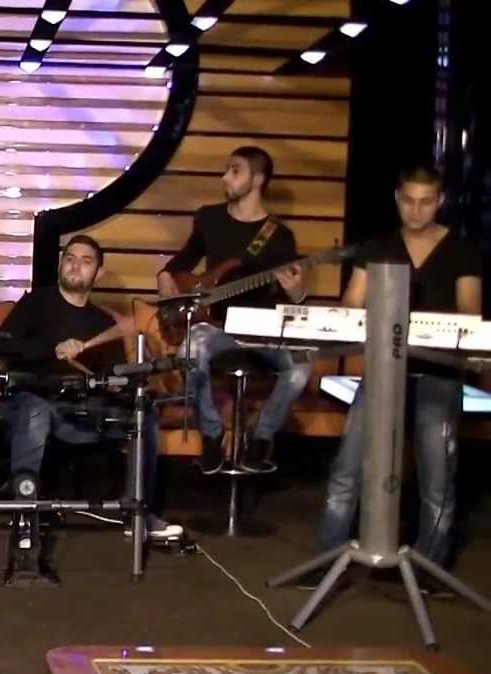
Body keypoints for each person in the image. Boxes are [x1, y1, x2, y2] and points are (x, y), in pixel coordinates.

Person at [301, 164, 482, 593]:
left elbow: (469, 315)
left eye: (426, 202)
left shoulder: (461, 251)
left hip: (439, 374)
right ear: (398, 199)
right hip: (383, 372)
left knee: (437, 479)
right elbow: (352, 305)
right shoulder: (380, 247)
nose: (416, 210)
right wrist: (306, 299)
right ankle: (328, 559)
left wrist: (420, 328)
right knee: (347, 467)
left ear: (439, 202)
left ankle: (428, 571)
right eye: (409, 201)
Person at [0, 235, 181, 539]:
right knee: (36, 411)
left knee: (143, 417)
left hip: (77, 411)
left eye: (85, 261)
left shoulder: (101, 321)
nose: (75, 265)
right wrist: (52, 349)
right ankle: (25, 516)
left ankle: (138, 514)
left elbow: (111, 375)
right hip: (28, 401)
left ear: (98, 273)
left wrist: (125, 387)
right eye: (69, 258)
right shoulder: (36, 303)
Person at [156, 146, 310, 473]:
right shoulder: (209, 218)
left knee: (301, 366)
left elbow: (294, 299)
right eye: (227, 169)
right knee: (190, 352)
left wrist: (297, 292)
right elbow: (182, 261)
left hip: (263, 328)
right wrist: (165, 275)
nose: (225, 177)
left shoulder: (280, 236)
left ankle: (261, 438)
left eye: (235, 170)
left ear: (258, 179)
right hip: (215, 325)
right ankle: (212, 435)